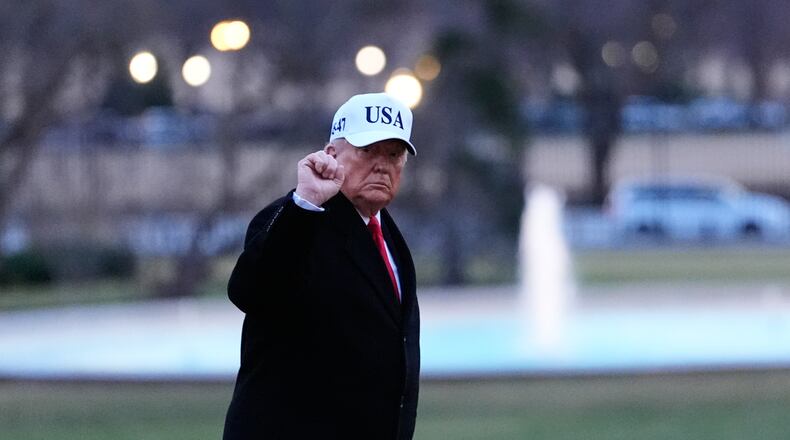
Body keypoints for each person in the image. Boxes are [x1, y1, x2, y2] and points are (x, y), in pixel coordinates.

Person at [223, 92, 420, 440]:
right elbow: (251, 291)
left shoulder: (387, 233)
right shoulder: (295, 220)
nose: (382, 164)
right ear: (331, 155)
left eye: (394, 153)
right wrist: (305, 203)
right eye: (367, 150)